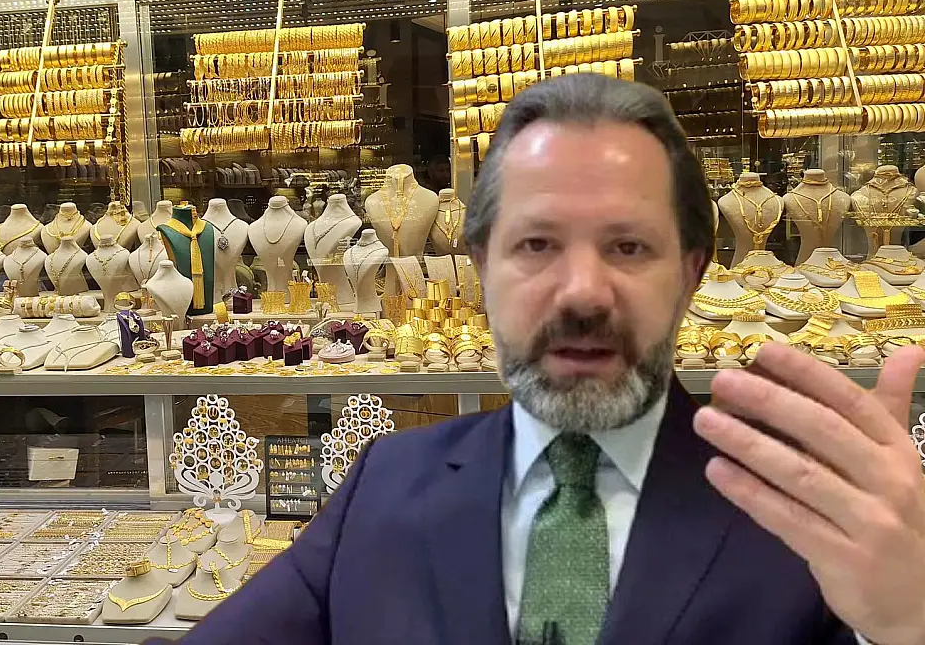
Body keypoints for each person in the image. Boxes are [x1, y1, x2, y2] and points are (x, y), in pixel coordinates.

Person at [165, 74, 925, 645]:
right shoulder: (384, 488)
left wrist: (904, 625)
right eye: (536, 244)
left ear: (693, 271)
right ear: (481, 268)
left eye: (629, 246)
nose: (583, 292)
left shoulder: (810, 524)